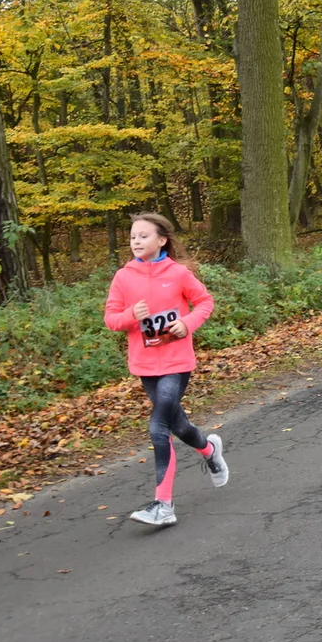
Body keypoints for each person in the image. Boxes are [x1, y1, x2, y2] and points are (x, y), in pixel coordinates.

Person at [104, 213, 228, 527]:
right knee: (179, 425)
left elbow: (205, 302)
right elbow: (111, 320)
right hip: (145, 365)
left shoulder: (178, 274)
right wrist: (132, 314)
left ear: (162, 240)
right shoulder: (123, 277)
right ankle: (209, 450)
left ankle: (164, 505)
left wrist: (186, 324)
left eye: (143, 236)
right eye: (133, 236)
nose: (136, 241)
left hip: (176, 363)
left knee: (158, 428)